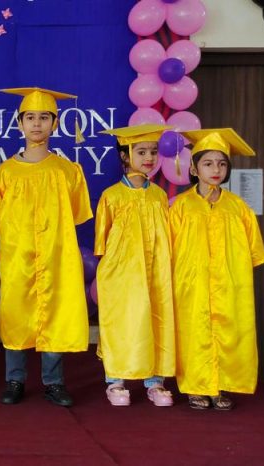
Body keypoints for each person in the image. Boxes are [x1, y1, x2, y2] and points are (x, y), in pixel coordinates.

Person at [0, 88, 91, 407]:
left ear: (55, 124)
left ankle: (54, 382)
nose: (37, 124)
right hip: (17, 255)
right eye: (30, 117)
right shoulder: (6, 172)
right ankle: (15, 379)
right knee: (16, 313)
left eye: (44, 117)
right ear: (19, 124)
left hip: (56, 253)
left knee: (56, 313)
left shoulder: (68, 171)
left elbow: (75, 215)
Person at [172, 128, 264, 411]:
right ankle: (196, 387)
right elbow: (169, 248)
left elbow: (254, 251)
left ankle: (220, 386)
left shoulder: (238, 208)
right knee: (193, 332)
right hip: (191, 283)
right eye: (208, 163)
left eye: (222, 163)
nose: (216, 169)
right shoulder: (180, 207)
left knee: (230, 331)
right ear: (193, 167)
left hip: (229, 283)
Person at [93, 124, 176, 407]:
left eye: (153, 151)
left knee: (155, 318)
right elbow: (101, 242)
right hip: (122, 272)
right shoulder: (112, 196)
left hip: (156, 270)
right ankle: (115, 379)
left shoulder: (159, 196)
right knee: (123, 320)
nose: (149, 157)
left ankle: (155, 381)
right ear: (126, 156)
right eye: (141, 152)